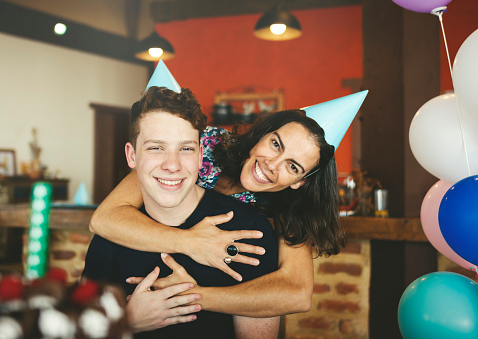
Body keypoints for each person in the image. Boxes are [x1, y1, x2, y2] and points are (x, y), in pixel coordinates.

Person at [89, 61, 367, 320]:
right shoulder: (199, 144)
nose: (271, 165)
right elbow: (105, 218)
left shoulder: (288, 208)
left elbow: (296, 293)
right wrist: (191, 243)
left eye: (293, 167)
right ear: (262, 135)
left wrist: (185, 297)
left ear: (300, 181)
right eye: (275, 145)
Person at [82, 86, 280, 338]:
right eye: (156, 148)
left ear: (200, 156)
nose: (172, 165)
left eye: (185, 149)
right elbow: (82, 330)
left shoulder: (248, 229)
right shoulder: (112, 233)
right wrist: (127, 322)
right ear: (132, 156)